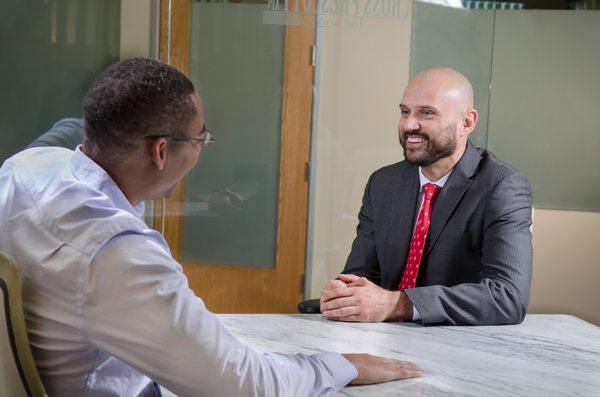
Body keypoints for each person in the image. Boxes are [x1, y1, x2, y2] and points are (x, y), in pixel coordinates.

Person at [0, 58, 421, 396]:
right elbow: (243, 385)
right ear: (161, 151)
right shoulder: (114, 251)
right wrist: (343, 365)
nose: (201, 151)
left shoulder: (25, 169)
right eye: (200, 141)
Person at [320, 68, 533, 326]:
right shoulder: (383, 183)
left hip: (457, 348)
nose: (409, 124)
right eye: (404, 112)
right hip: (382, 341)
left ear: (466, 123)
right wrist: (343, 295)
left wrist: (399, 304)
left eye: (426, 113)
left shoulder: (501, 186)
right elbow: (362, 275)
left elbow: (507, 297)